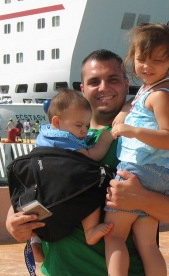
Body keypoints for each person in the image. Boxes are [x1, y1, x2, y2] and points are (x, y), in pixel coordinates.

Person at [6, 49, 169, 276]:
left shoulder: (149, 143)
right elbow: (29, 190)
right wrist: (12, 221)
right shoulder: (64, 140)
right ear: (83, 87)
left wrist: (140, 197)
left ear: (127, 83)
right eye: (94, 81)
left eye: (113, 78)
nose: (104, 87)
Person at [96, 24, 169, 276]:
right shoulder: (149, 91)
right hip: (156, 176)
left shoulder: (160, 94)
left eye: (156, 61)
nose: (147, 66)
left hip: (140, 172)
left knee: (114, 234)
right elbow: (137, 115)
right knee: (147, 244)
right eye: (141, 59)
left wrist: (131, 131)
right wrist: (125, 117)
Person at [34, 88, 114, 245]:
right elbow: (91, 156)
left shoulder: (47, 134)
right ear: (57, 122)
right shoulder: (64, 139)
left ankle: (35, 241)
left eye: (86, 124)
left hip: (45, 191)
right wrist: (105, 140)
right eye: (79, 125)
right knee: (91, 193)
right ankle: (90, 230)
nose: (84, 130)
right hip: (64, 189)